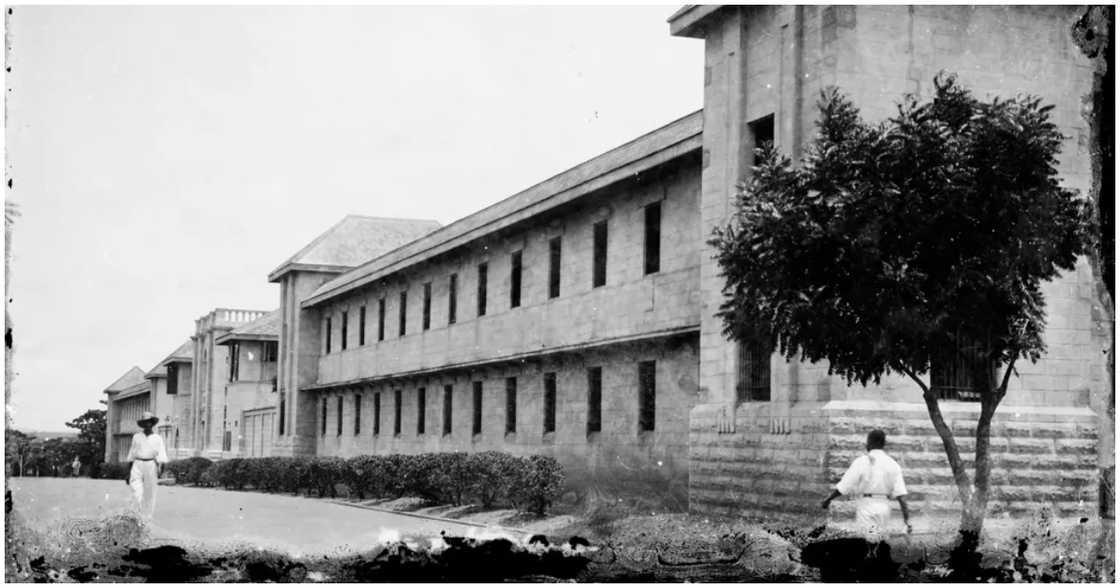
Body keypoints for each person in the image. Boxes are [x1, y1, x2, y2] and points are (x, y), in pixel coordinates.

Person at [821, 429, 912, 540]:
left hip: (867, 509)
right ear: (883, 444)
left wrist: (828, 499)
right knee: (879, 540)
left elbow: (845, 485)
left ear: (870, 442)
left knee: (870, 541)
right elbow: (901, 496)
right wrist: (906, 520)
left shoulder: (862, 461)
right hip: (884, 508)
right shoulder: (893, 464)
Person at [127, 411, 169, 522]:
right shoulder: (137, 437)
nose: (147, 424)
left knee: (150, 493)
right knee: (137, 492)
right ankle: (135, 516)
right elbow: (132, 454)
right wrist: (128, 472)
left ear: (152, 423)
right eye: (145, 422)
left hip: (151, 465)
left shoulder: (157, 438)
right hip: (137, 464)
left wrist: (161, 470)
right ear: (142, 424)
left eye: (149, 422)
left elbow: (162, 455)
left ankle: (147, 518)